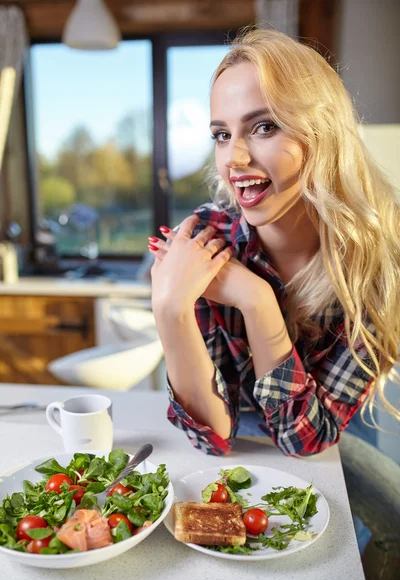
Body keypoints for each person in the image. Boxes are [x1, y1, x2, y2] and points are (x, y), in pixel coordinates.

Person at [148, 28, 400, 460]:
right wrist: (170, 309)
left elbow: (304, 439)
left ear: (321, 135)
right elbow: (213, 438)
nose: (234, 159)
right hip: (246, 439)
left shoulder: (377, 266)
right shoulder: (208, 241)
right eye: (221, 135)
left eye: (263, 127)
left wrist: (257, 300)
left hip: (339, 433)